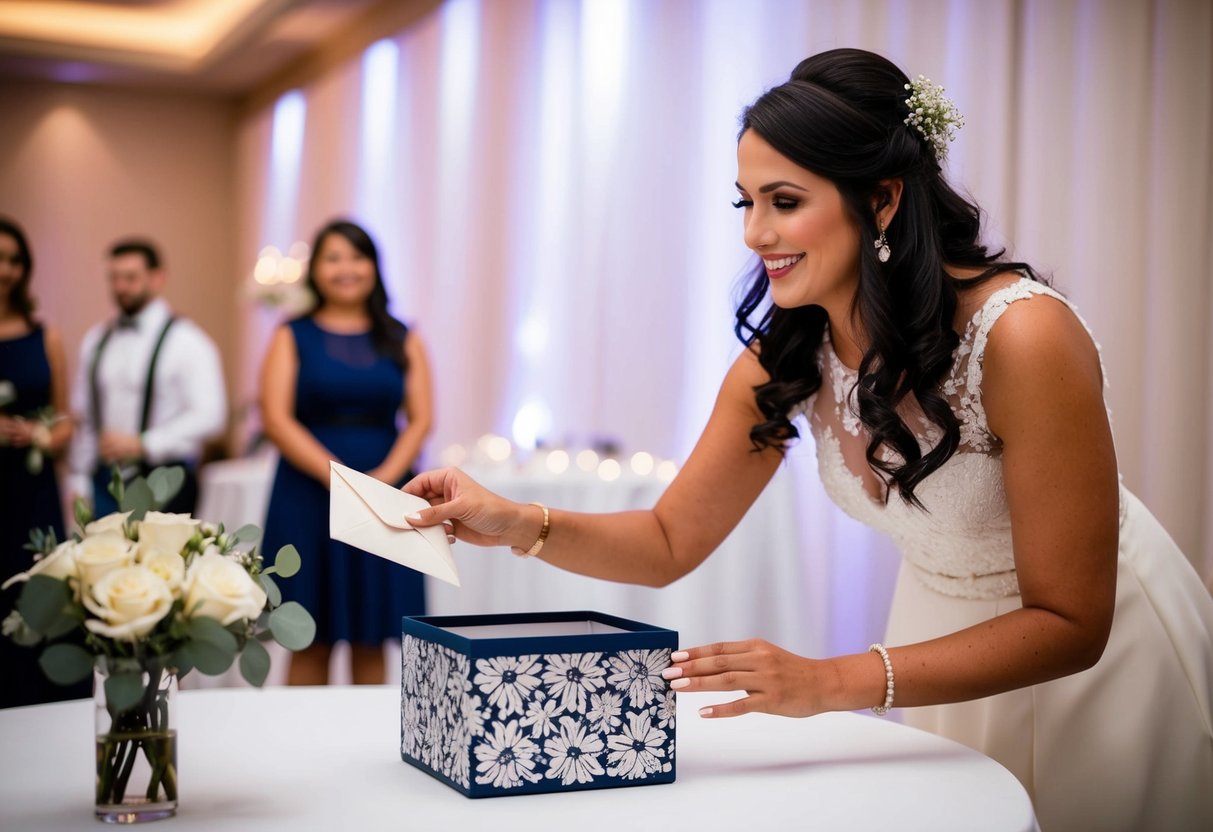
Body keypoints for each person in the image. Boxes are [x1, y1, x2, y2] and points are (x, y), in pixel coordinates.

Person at [402, 49, 1213, 831]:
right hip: (934, 653)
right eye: (743, 202)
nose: (754, 234)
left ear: (883, 200)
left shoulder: (1023, 338)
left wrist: (829, 681)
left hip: (1096, 678)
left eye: (782, 201)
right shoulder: (787, 357)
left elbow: (1072, 619)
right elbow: (666, 539)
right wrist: (519, 522)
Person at [259, 219, 434, 686]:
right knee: (307, 636)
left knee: (372, 635)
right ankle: (296, 753)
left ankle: (364, 751)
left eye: (357, 257)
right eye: (333, 258)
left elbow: (420, 419)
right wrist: (337, 476)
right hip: (308, 491)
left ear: (374, 268)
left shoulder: (403, 336)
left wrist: (383, 479)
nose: (346, 269)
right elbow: (276, 418)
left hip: (384, 491)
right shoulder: (291, 334)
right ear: (315, 270)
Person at [67, 238, 226, 516]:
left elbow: (211, 416)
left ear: (157, 278)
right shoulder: (95, 340)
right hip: (104, 480)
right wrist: (78, 477)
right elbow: (84, 415)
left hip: (166, 481)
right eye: (114, 278)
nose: (120, 287)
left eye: (130, 278)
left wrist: (145, 443)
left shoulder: (189, 342)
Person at [0, 217, 90, 707]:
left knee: (39, 590)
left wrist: (41, 433)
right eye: (0, 258)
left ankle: (45, 706)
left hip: (31, 490)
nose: (7, 270)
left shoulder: (44, 333)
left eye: (15, 260)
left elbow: (65, 419)